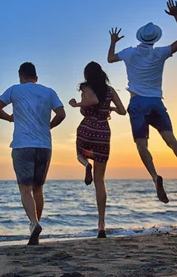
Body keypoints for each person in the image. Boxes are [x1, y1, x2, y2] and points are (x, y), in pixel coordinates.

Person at [107, 0, 177, 203]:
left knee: (142, 146)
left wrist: (113, 40)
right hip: (156, 102)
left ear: (140, 37)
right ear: (155, 39)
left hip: (138, 104)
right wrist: (176, 15)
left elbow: (110, 58)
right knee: (171, 140)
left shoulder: (129, 52)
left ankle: (155, 177)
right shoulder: (160, 53)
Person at [0, 62, 66, 245]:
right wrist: (49, 126)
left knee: (25, 189)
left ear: (20, 76)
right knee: (38, 189)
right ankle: (36, 227)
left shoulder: (14, 90)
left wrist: (9, 118)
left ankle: (34, 223)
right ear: (36, 77)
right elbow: (62, 114)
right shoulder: (49, 91)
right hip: (44, 146)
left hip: (23, 145)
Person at [68, 61, 126, 238]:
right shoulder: (110, 90)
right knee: (100, 181)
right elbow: (123, 111)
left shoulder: (86, 87)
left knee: (79, 153)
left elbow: (93, 101)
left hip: (87, 130)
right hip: (103, 132)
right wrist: (112, 108)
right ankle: (101, 224)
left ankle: (86, 164)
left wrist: (76, 104)